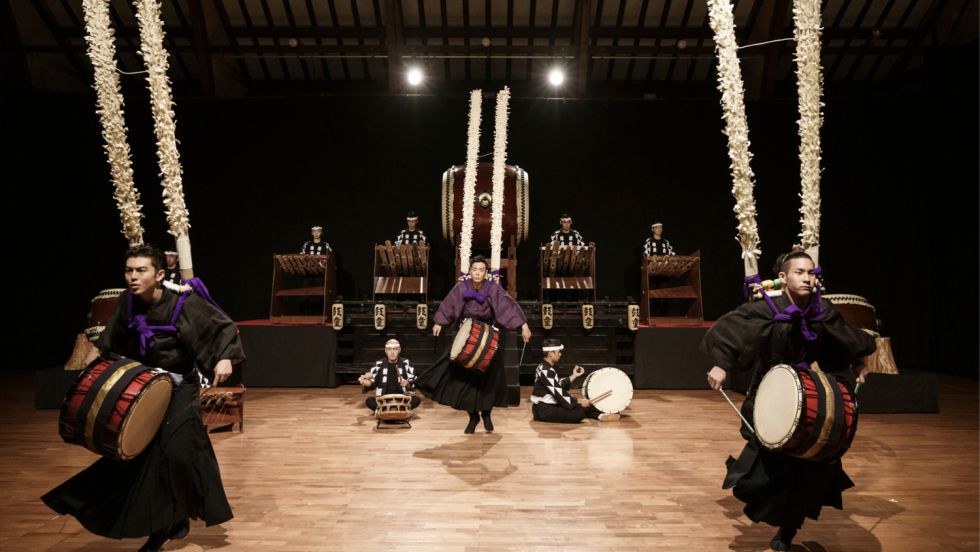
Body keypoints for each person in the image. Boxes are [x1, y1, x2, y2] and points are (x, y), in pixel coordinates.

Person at [42, 243, 244, 552]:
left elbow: (223, 328)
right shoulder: (127, 302)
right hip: (142, 385)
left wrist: (225, 358)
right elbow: (112, 337)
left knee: (175, 453)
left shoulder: (183, 303)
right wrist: (94, 360)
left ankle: (165, 525)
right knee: (141, 457)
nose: (133, 277)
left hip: (179, 386)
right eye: (129, 270)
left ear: (159, 274)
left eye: (141, 271)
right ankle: (168, 519)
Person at [701, 251, 875, 552]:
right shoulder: (766, 306)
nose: (807, 278)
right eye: (799, 272)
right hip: (769, 389)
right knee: (771, 460)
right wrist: (722, 364)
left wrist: (857, 364)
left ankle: (788, 528)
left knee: (809, 459)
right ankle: (768, 504)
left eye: (811, 272)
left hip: (808, 391)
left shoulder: (823, 309)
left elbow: (845, 339)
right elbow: (733, 330)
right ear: (783, 278)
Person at [414, 254, 531, 434]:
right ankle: (472, 416)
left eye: (481, 270)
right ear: (470, 271)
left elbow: (507, 306)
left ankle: (486, 414)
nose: (477, 273)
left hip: (487, 337)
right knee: (467, 381)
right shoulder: (462, 287)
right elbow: (449, 305)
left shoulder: (492, 288)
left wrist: (523, 325)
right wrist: (439, 321)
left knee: (488, 380)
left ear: (486, 273)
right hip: (468, 336)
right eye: (474, 270)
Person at [530, 338, 620, 423]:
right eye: (558, 352)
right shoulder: (547, 371)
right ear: (550, 354)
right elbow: (559, 394)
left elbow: (557, 385)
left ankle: (601, 416)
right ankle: (599, 415)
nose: (560, 354)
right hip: (543, 410)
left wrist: (574, 376)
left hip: (547, 406)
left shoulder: (543, 367)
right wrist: (580, 400)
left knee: (580, 407)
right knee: (578, 414)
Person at [359, 339, 421, 411]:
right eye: (389, 349)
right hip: (384, 400)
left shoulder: (407, 363)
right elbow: (372, 384)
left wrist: (407, 383)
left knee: (416, 399)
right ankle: (398, 411)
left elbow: (413, 384)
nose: (392, 352)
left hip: (401, 399)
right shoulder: (378, 364)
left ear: (399, 350)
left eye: (395, 349)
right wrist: (364, 382)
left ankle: (386, 411)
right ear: (385, 350)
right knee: (369, 400)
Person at [643, 221, 675, 316]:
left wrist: (668, 262)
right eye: (656, 228)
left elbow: (672, 254)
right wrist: (652, 261)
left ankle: (663, 317)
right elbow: (645, 255)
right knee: (651, 294)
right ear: (652, 229)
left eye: (660, 227)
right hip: (652, 271)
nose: (659, 230)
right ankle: (649, 316)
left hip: (664, 271)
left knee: (663, 294)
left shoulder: (666, 242)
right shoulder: (649, 241)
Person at [300, 226, 330, 314]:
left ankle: (320, 313)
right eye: (314, 232)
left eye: (318, 231)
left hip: (320, 272)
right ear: (312, 233)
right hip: (308, 272)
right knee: (305, 292)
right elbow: (301, 255)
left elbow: (330, 257)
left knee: (319, 293)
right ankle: (303, 313)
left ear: (321, 233)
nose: (316, 233)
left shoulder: (325, 245)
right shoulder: (307, 244)